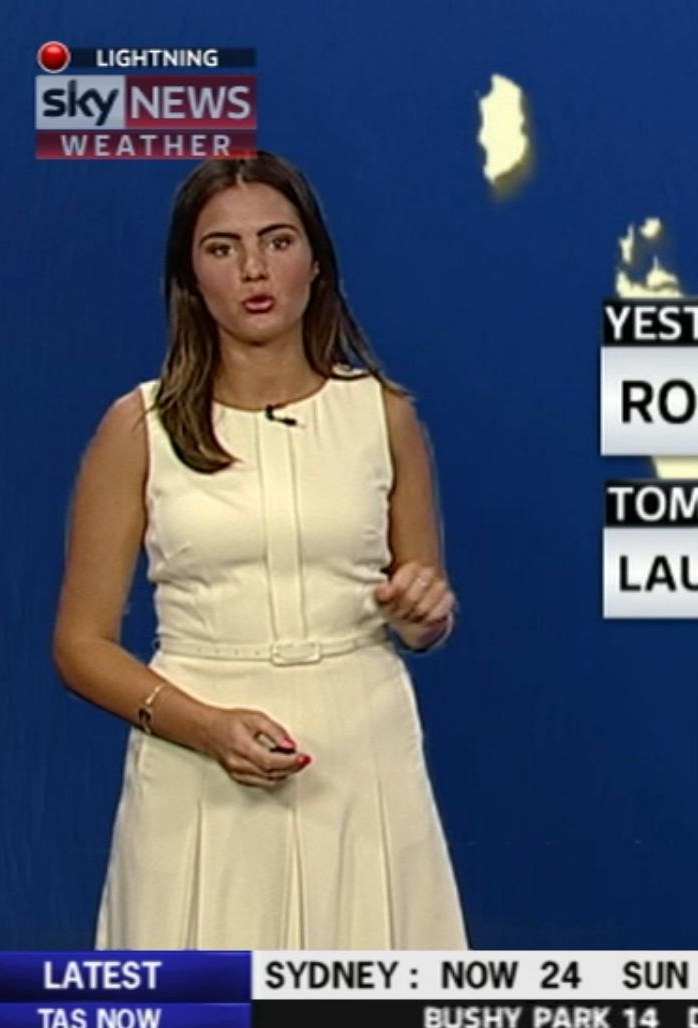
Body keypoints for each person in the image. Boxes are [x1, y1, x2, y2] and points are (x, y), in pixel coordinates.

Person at [52, 150, 469, 949]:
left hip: (362, 753)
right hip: (196, 760)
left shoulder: (384, 416)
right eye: (223, 247)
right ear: (190, 276)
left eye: (277, 241)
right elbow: (80, 645)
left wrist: (424, 613)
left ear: (316, 261)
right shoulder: (138, 428)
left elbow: (422, 615)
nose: (254, 268)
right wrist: (205, 728)